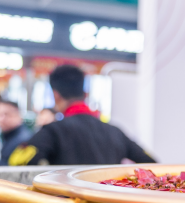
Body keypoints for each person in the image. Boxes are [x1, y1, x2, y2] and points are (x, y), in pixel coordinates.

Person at [9, 64, 155, 165]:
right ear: (85, 94)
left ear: (56, 95)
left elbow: (17, 162)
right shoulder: (115, 131)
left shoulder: (54, 131)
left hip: (68, 201)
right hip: (108, 201)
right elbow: (151, 163)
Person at [0, 100, 33, 166]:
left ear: (18, 115)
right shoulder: (7, 134)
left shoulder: (23, 140)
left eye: (6, 114)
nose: (0, 119)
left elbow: (13, 169)